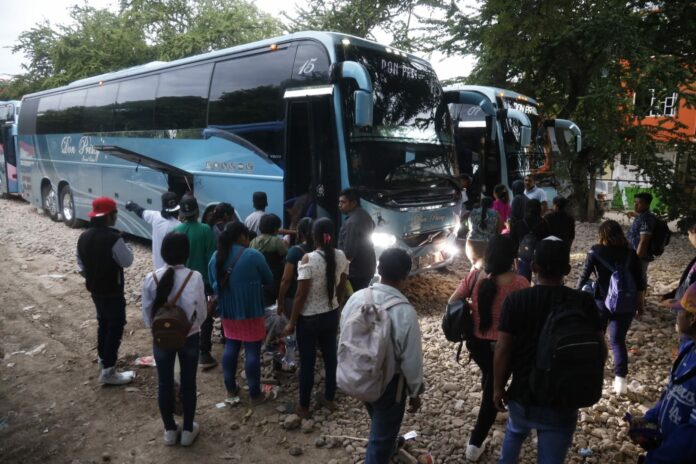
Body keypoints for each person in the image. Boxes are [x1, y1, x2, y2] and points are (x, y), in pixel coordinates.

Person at [494, 237, 603, 463]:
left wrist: (497, 388)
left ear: (533, 267)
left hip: (523, 396)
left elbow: (503, 349)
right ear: (567, 269)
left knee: (514, 433)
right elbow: (600, 350)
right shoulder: (583, 302)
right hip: (562, 400)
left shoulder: (516, 301)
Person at [448, 235, 529, 461]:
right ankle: (475, 444)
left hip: (477, 345)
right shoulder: (520, 284)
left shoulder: (475, 277)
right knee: (493, 391)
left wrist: (475, 307)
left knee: (490, 379)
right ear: (513, 255)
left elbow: (453, 301)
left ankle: (497, 405)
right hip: (506, 348)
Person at [341, 248, 424, 464]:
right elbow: (411, 359)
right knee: (380, 440)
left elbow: (344, 334)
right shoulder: (405, 311)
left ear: (379, 268)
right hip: (390, 384)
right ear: (406, 276)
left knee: (378, 416)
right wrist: (415, 392)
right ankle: (384, 447)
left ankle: (389, 442)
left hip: (359, 373)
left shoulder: (357, 298)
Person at [141, 232, 207, 446]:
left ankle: (169, 431)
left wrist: (163, 329)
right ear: (186, 253)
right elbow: (202, 313)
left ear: (163, 252)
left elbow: (147, 316)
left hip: (161, 340)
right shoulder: (194, 277)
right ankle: (188, 431)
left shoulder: (151, 278)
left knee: (164, 382)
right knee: (189, 382)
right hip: (189, 337)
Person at [283, 218, 349, 418]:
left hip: (309, 319)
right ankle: (329, 399)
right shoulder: (341, 256)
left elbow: (300, 295)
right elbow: (342, 285)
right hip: (331, 315)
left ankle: (303, 407)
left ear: (313, 236)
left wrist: (292, 322)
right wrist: (337, 305)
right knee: (330, 359)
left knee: (308, 364)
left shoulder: (308, 259)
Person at [628, 282, 696, 463]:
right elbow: (671, 393)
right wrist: (649, 420)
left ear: (692, 319)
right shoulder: (688, 350)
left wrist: (656, 458)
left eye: (680, 311)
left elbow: (691, 436)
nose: (676, 315)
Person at [577, 220, 646, 394]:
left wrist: (576, 297)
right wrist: (640, 306)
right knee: (617, 341)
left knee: (597, 337)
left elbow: (584, 276)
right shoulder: (631, 253)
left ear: (602, 235)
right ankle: (620, 382)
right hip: (625, 304)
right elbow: (640, 284)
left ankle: (595, 373)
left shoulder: (595, 251)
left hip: (601, 302)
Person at [209, 222, 273, 405]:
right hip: (251, 310)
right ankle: (255, 394)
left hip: (228, 310)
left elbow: (214, 283)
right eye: (247, 236)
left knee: (231, 347)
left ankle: (231, 390)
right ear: (241, 236)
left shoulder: (216, 256)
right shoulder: (253, 255)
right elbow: (268, 279)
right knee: (252, 351)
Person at [76, 197, 134, 385]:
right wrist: (127, 246)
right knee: (116, 325)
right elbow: (127, 261)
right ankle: (108, 371)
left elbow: (81, 265)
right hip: (113, 291)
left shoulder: (84, 236)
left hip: (96, 291)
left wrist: (93, 278)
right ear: (109, 216)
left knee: (104, 323)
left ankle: (103, 361)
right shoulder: (113, 238)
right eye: (115, 213)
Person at [173, 196, 218, 369]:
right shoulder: (206, 230)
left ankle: (182, 344)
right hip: (203, 280)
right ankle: (204, 353)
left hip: (180, 279)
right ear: (197, 212)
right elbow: (211, 256)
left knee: (182, 311)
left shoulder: (176, 230)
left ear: (182, 213)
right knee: (205, 315)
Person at [125, 192, 181, 270]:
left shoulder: (155, 216)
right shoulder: (179, 226)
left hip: (157, 269)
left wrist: (131, 205)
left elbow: (140, 211)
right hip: (174, 270)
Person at [337, 188, 376, 291]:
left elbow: (349, 253)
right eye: (339, 202)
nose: (339, 205)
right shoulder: (365, 215)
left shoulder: (352, 223)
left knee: (354, 300)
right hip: (367, 267)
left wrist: (340, 271)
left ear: (353, 203)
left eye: (343, 202)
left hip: (356, 272)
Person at [277, 217, 313, 318]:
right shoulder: (321, 250)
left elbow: (286, 280)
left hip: (294, 296)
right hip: (315, 298)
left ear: (300, 232)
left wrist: (280, 301)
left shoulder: (295, 251)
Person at [250, 213, 288, 305]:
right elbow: (286, 257)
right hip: (274, 280)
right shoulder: (277, 241)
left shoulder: (253, 242)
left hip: (257, 280)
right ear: (275, 228)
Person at [510, 199, 551, 282]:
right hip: (539, 259)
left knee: (524, 283)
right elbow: (547, 243)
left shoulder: (519, 224)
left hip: (524, 258)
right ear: (539, 209)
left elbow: (512, 243)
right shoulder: (544, 223)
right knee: (540, 284)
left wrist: (515, 260)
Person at [661, 221, 696, 305]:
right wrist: (672, 295)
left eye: (689, 234)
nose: (689, 238)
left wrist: (676, 304)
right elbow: (688, 281)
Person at [466, 196, 502, 269]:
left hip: (470, 246)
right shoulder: (496, 214)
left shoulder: (473, 212)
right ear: (492, 205)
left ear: (481, 204)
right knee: (484, 270)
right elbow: (498, 232)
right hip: (487, 247)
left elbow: (470, 228)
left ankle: (471, 279)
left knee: (475, 267)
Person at [627, 192, 657, 278]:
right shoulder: (642, 216)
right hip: (633, 252)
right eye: (635, 202)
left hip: (639, 255)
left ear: (647, 204)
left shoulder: (646, 220)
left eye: (639, 203)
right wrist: (633, 214)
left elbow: (644, 241)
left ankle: (641, 291)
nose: (635, 206)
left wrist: (636, 260)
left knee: (638, 277)